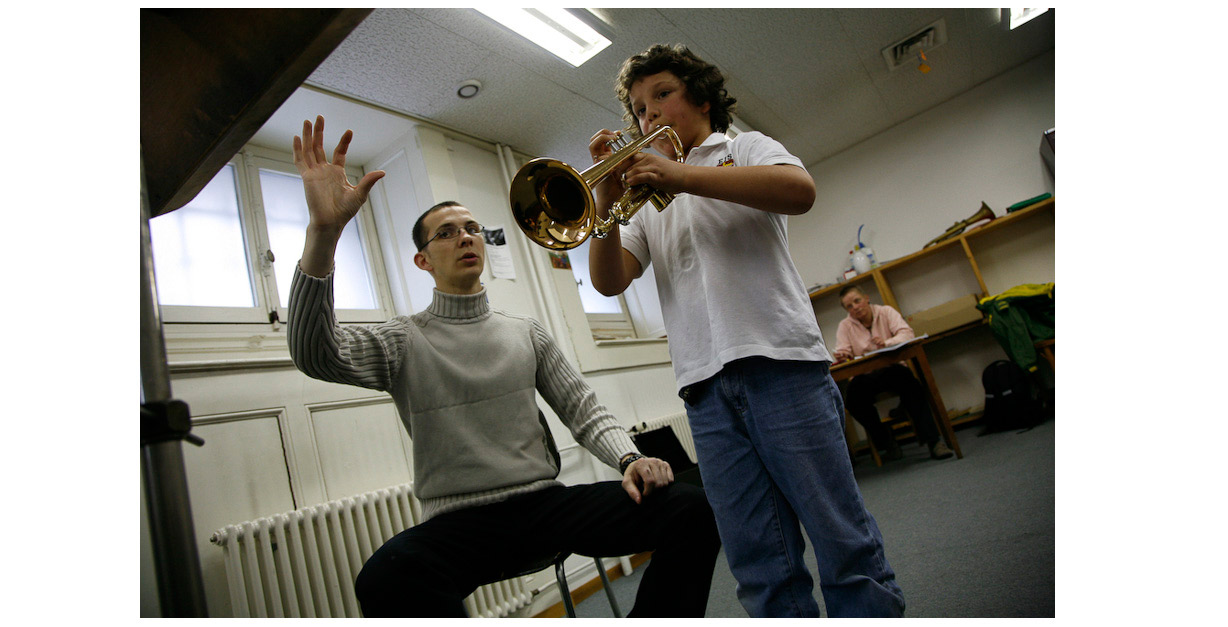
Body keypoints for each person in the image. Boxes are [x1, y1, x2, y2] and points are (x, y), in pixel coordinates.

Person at [286, 115, 720, 617]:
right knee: (386, 578)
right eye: (447, 233)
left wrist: (629, 458)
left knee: (689, 508)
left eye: (471, 228)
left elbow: (583, 411)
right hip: (459, 523)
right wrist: (323, 232)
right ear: (423, 261)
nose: (466, 238)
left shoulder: (525, 332)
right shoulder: (401, 341)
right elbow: (316, 354)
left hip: (543, 507)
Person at [585, 44, 905, 618]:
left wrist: (681, 174)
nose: (648, 114)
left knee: (842, 540)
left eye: (662, 95)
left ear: (702, 98)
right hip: (704, 391)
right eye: (637, 108)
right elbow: (609, 282)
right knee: (758, 563)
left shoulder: (742, 148)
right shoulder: (644, 198)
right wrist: (607, 203)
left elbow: (799, 191)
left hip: (782, 368)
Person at [834, 285, 955, 462]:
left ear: (866, 298)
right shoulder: (845, 326)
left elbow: (907, 333)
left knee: (913, 387)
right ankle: (887, 442)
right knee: (853, 400)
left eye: (857, 301)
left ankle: (934, 442)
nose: (855, 308)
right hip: (865, 375)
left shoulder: (886, 312)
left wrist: (887, 342)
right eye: (849, 306)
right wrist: (842, 354)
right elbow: (842, 349)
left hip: (892, 368)